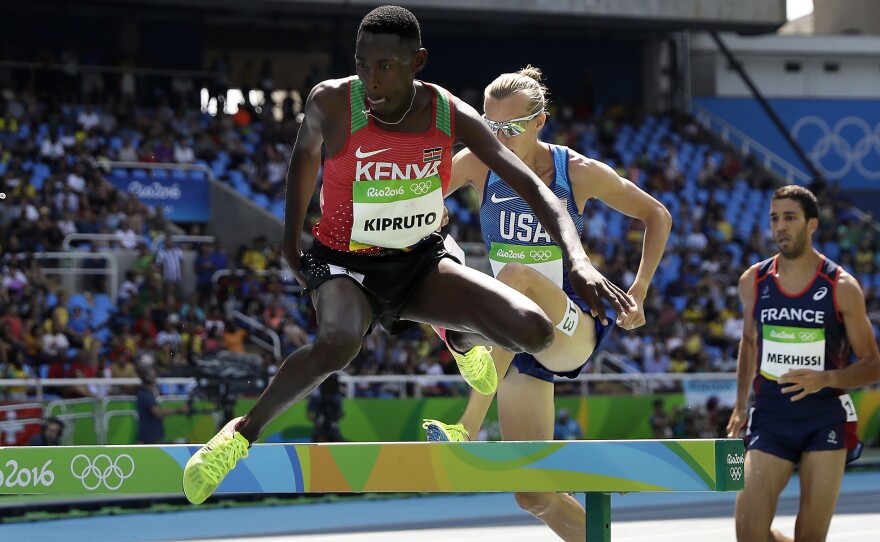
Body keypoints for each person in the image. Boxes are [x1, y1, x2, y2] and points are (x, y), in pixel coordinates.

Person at [182, 5, 635, 505]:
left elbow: (532, 186)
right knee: (339, 342)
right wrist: (290, 245)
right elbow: (305, 156)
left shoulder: (448, 113)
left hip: (421, 262)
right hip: (347, 264)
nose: (371, 81)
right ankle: (240, 436)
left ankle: (460, 340)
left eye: (386, 67)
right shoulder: (332, 102)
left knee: (535, 331)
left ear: (417, 61)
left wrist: (577, 260)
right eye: (362, 64)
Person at [419, 66, 670, 540]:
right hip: (510, 342)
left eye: (510, 128)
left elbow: (657, 214)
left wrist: (638, 292)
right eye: (490, 126)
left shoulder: (577, 171)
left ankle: (466, 428)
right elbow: (410, 196)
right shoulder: (477, 162)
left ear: (540, 121)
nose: (498, 137)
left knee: (516, 277)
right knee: (533, 494)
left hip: (569, 329)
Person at [725, 185, 880, 542]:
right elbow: (749, 342)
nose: (780, 226)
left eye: (790, 218)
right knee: (748, 533)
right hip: (771, 415)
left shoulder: (842, 286)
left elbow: (872, 364)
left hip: (823, 417)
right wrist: (739, 405)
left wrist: (825, 378)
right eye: (775, 218)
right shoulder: (754, 281)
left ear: (811, 224)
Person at [136, 364, 189, 445]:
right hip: (150, 436)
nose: (156, 378)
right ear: (148, 378)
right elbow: (157, 412)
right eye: (154, 376)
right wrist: (178, 409)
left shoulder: (149, 393)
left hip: (153, 435)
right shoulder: (145, 394)